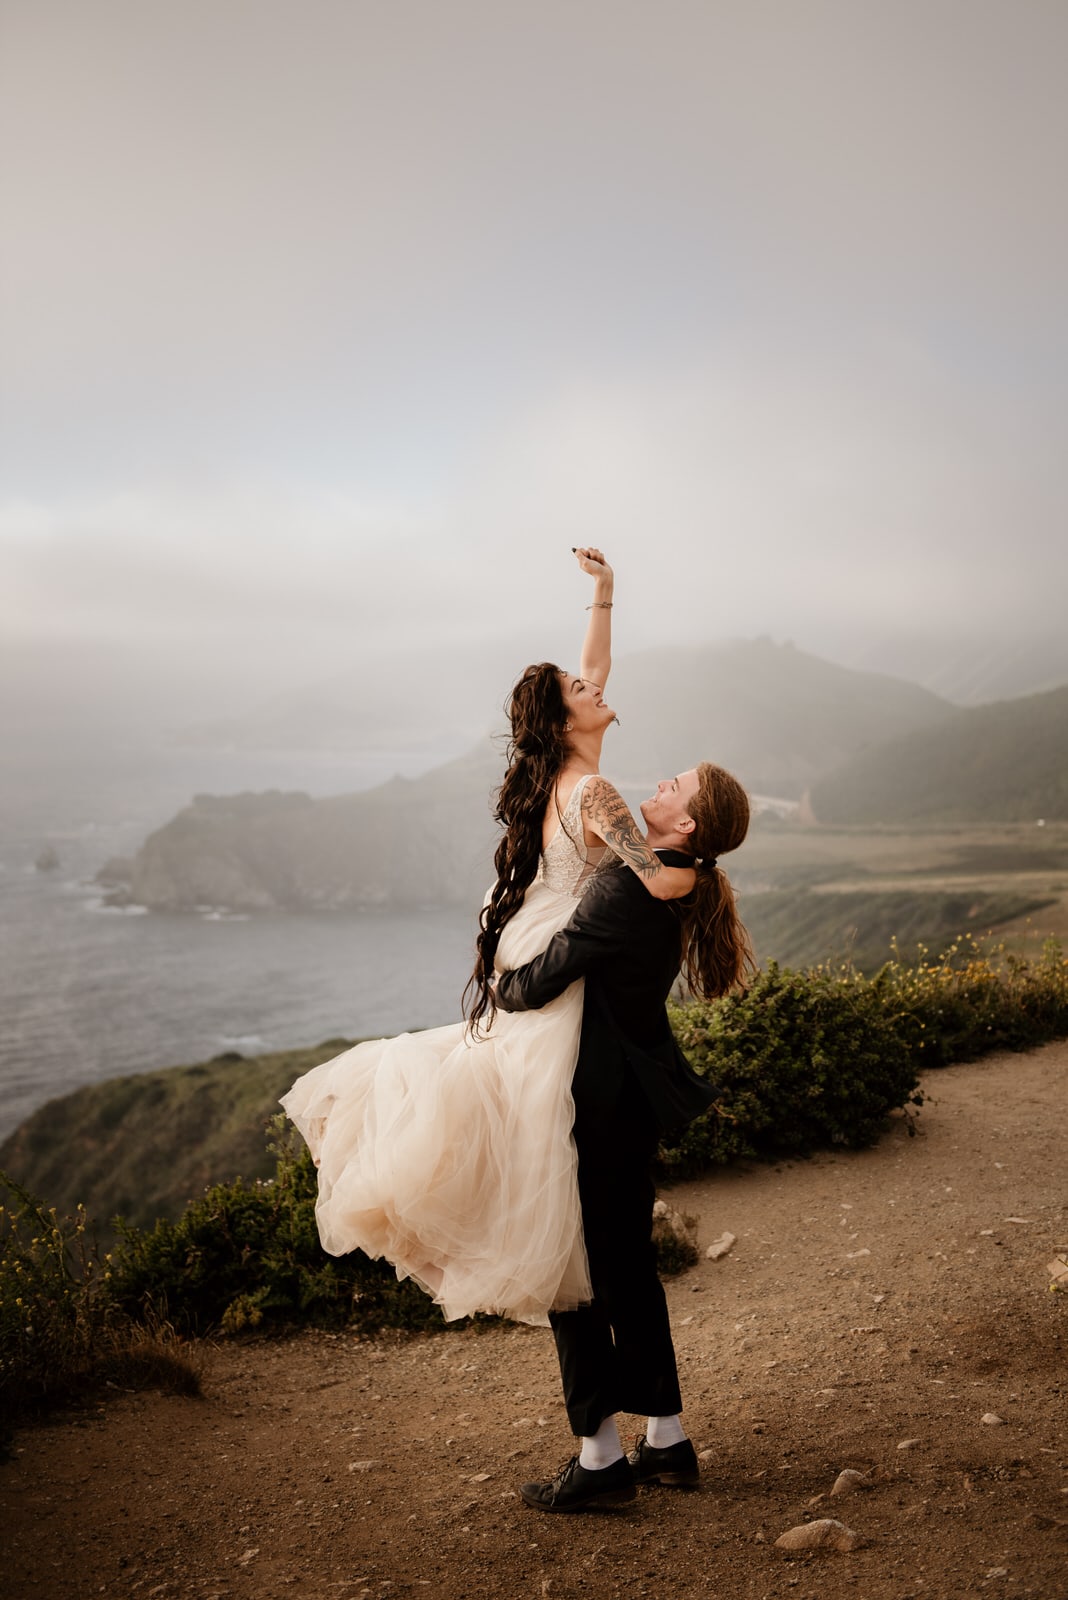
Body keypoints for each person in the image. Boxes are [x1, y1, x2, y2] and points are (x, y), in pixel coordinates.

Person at [281, 549, 694, 1327]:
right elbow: (656, 880)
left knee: (501, 1093)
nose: (595, 686)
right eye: (580, 691)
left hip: (522, 929)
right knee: (541, 1121)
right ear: (566, 719)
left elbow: (593, 662)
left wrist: (605, 591)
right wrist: (699, 868)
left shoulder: (562, 771)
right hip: (555, 943)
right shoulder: (597, 790)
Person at [494, 760, 754, 1513]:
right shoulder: (676, 880)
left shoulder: (627, 886)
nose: (662, 784)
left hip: (594, 1105)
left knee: (571, 1268)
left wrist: (497, 980)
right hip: (628, 1103)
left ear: (686, 827)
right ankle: (667, 1441)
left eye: (676, 786)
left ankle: (600, 1457)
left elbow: (543, 978)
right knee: (626, 1270)